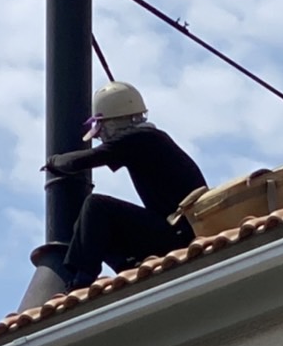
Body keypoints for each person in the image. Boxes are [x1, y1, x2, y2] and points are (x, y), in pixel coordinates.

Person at [45, 81, 207, 289]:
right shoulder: (147, 141)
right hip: (176, 232)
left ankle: (81, 279)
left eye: (102, 128)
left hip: (177, 234)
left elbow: (84, 160)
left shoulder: (142, 139)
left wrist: (54, 162)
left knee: (97, 207)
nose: (100, 136)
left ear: (114, 123)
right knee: (91, 223)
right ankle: (128, 264)